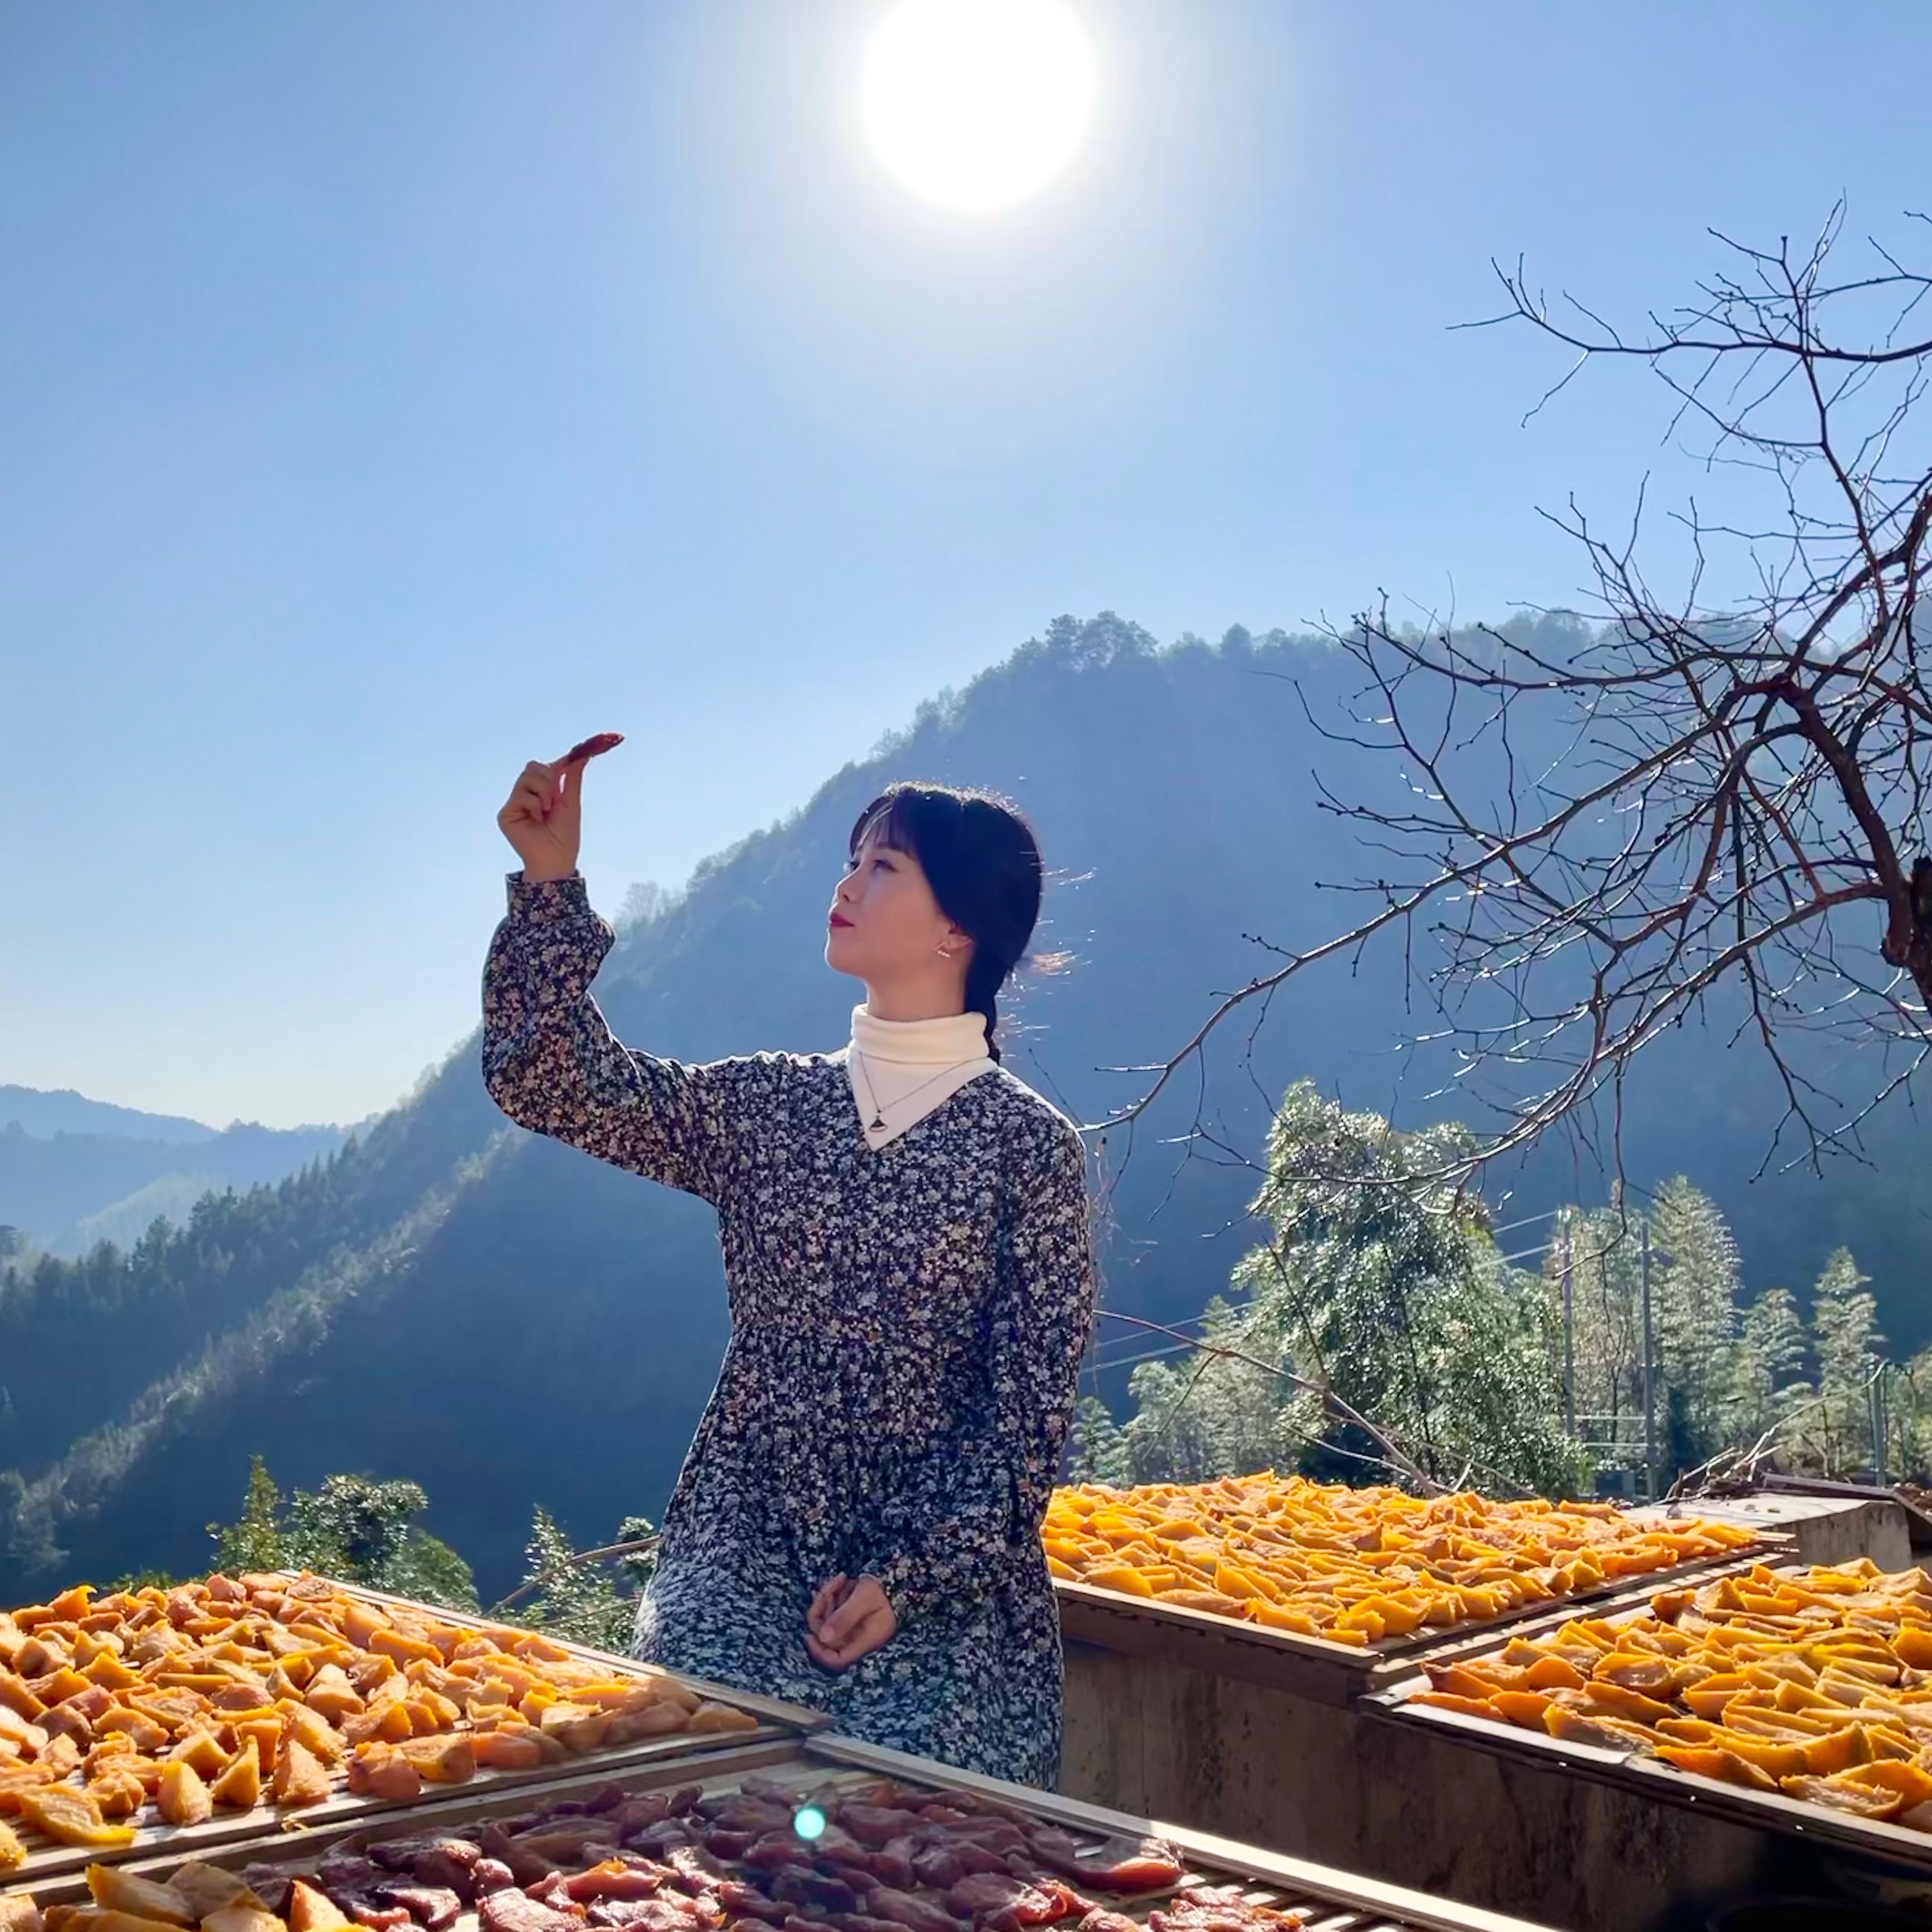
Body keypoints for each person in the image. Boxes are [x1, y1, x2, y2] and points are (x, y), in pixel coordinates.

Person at [481, 744, 1096, 1788]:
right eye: (852, 859)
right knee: (697, 1771)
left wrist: (905, 1580)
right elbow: (550, 1081)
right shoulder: (771, 1105)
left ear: (962, 926)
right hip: (745, 1541)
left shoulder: (1029, 1150)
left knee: (908, 1811)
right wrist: (549, 884)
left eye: (883, 867)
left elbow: (1024, 1419)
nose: (846, 884)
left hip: (941, 1589)